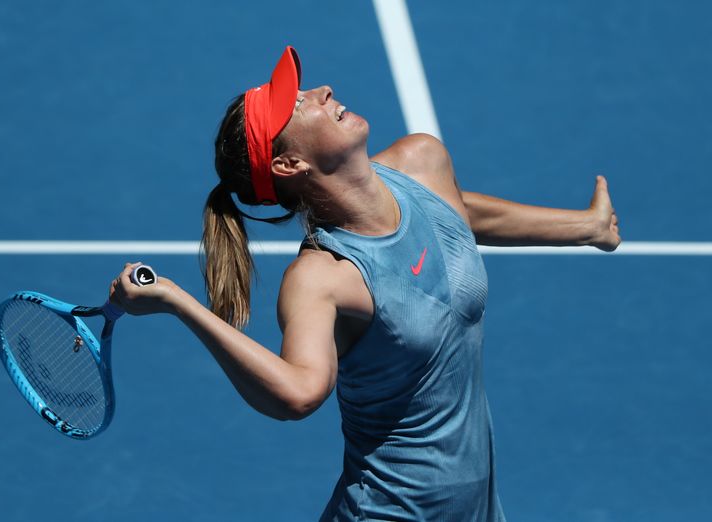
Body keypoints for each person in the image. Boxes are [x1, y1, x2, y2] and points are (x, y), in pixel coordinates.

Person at [110, 47, 620, 521]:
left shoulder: (422, 162)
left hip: (475, 507)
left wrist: (584, 227)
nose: (323, 90)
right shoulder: (323, 276)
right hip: (388, 510)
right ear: (289, 164)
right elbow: (297, 393)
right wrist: (177, 301)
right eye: (299, 103)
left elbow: (455, 216)